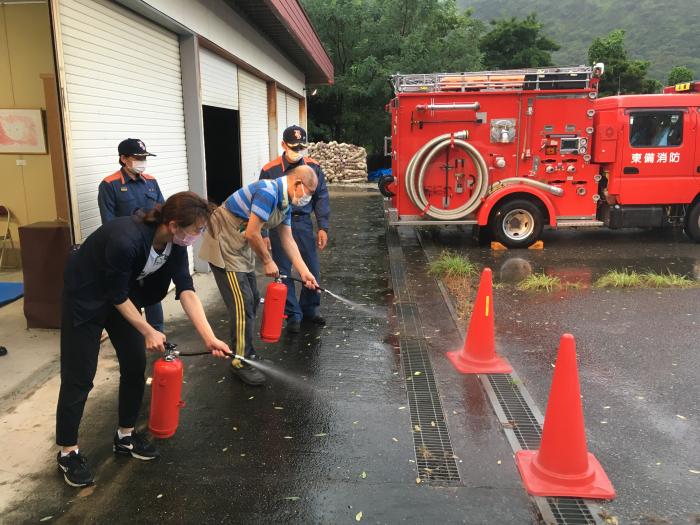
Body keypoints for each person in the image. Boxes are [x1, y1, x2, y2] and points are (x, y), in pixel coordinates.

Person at [56, 192, 231, 488]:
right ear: (174, 224)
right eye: (197, 230)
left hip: (122, 295)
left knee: (136, 366)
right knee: (80, 375)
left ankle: (125, 436)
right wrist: (148, 329)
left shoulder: (174, 245)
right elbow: (115, 295)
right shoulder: (127, 238)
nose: (199, 236)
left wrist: (209, 337)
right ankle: (67, 451)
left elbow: (186, 289)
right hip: (86, 297)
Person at [198, 165, 320, 386]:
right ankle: (239, 361)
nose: (307, 199)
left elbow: (288, 239)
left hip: (239, 245)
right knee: (242, 303)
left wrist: (304, 272)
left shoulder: (285, 203)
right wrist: (267, 260)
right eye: (309, 193)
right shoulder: (268, 192)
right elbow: (253, 233)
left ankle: (247, 352)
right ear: (298, 184)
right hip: (224, 244)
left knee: (252, 298)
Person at [260, 125, 330, 334]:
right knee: (283, 271)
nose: (297, 151)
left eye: (301, 148)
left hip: (303, 223)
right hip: (277, 224)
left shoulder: (313, 166)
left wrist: (323, 226)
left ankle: (310, 308)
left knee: (311, 267)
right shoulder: (270, 169)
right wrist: (263, 233)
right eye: (293, 147)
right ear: (283, 145)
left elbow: (322, 197)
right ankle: (292, 314)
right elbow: (261, 204)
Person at [98, 138, 166, 333]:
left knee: (153, 292)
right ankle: (136, 333)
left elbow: (163, 211)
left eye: (144, 157)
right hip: (128, 248)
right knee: (129, 293)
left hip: (152, 247)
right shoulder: (109, 185)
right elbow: (109, 223)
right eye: (138, 157)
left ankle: (158, 332)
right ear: (123, 158)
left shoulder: (151, 181)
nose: (142, 161)